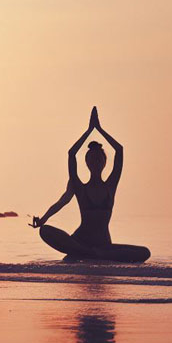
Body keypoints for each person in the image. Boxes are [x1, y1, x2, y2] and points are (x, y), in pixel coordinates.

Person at [31, 107, 150, 262]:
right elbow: (71, 155)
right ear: (86, 162)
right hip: (81, 241)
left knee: (144, 253)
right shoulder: (79, 187)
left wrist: (99, 129)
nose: (96, 162)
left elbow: (119, 150)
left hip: (103, 244)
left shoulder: (110, 186)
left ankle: (90, 253)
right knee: (45, 231)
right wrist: (43, 219)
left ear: (104, 162)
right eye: (92, 159)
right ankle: (87, 252)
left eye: (99, 159)